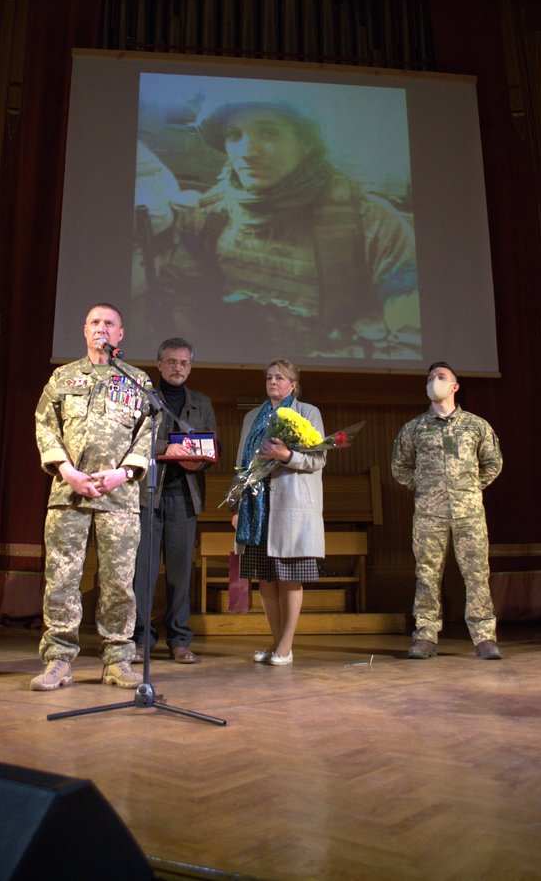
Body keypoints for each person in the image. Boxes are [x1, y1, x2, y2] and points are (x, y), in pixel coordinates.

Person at [151, 97, 419, 361]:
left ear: (306, 143)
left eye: (268, 133)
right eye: (234, 135)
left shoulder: (372, 223)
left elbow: (411, 336)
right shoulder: (209, 216)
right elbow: (181, 307)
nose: (246, 151)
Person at [31, 303, 153, 691]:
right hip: (69, 494)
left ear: (120, 335)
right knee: (62, 579)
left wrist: (123, 473)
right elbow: (45, 427)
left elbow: (149, 432)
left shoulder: (138, 381)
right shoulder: (62, 378)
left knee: (119, 581)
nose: (102, 328)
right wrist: (67, 472)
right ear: (85, 331)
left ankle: (118, 659)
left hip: (119, 498)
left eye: (110, 324)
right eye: (95, 322)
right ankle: (58, 661)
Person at [391, 361, 503, 661]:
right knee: (427, 574)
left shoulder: (476, 425)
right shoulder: (414, 428)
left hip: (469, 513)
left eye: (441, 377)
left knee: (477, 573)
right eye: (430, 378)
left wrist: (471, 488)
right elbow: (399, 467)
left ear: (454, 387)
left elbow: (493, 462)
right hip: (430, 513)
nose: (434, 381)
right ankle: (425, 636)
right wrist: (424, 487)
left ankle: (484, 638)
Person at [231, 359, 326, 665]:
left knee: (289, 576)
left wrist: (287, 456)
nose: (273, 382)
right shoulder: (251, 417)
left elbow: (318, 459)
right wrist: (236, 505)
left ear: (293, 384)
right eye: (269, 377)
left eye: (280, 378)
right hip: (257, 507)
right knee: (266, 578)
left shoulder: (307, 412)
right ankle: (276, 645)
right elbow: (241, 464)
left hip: (291, 505)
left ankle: (285, 646)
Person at [133, 337, 217, 664]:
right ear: (159, 364)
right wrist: (162, 451)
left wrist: (202, 459)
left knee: (181, 573)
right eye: (171, 362)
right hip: (147, 494)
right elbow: (129, 442)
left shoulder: (202, 403)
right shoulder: (142, 397)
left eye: (183, 363)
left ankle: (179, 640)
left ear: (190, 366)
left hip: (185, 496)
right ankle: (141, 639)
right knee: (144, 571)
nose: (177, 368)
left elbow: (214, 446)